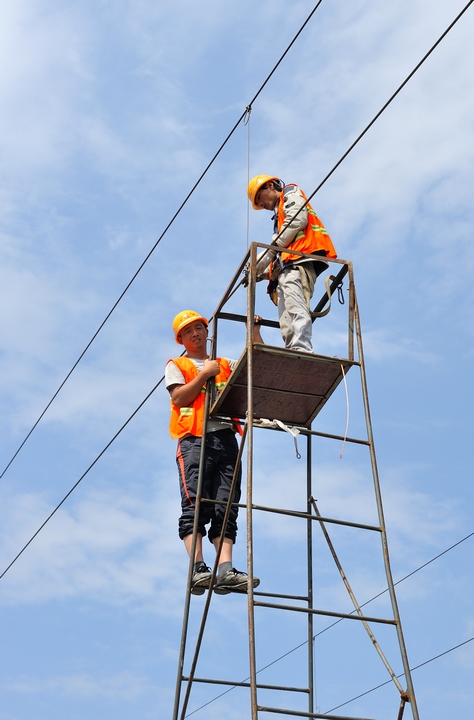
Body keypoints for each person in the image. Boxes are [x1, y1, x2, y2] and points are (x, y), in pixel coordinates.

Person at [165, 310, 262, 596]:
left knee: (226, 504)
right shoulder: (178, 364)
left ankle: (225, 570)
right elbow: (178, 396)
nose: (195, 333)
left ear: (207, 331)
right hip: (194, 440)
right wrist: (204, 374)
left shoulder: (224, 364)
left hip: (225, 439)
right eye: (188, 330)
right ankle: (198, 568)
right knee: (195, 504)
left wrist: (253, 331)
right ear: (180, 338)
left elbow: (253, 365)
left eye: (199, 327)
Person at [247, 175, 337, 353]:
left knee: (296, 306)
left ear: (270, 186)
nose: (260, 204)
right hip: (288, 265)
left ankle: (302, 347)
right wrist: (261, 272)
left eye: (259, 197)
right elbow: (280, 250)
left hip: (299, 262)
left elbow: (297, 221)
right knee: (286, 318)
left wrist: (265, 257)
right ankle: (293, 350)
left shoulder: (290, 192)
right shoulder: (278, 215)